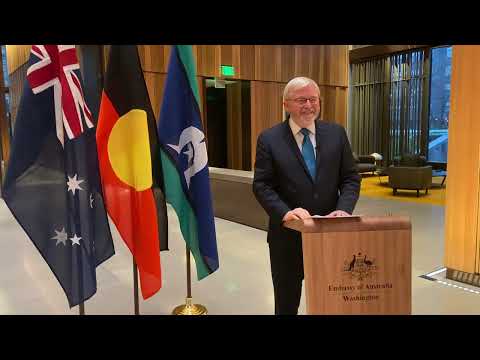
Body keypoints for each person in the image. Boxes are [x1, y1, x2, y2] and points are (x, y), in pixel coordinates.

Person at [252, 77, 361, 315]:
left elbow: (350, 178)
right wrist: (285, 213)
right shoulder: (269, 139)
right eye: (302, 100)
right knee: (287, 303)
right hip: (287, 239)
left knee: (331, 300)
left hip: (330, 236)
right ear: (286, 104)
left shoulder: (336, 134)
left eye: (314, 99)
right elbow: (262, 185)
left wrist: (344, 210)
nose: (309, 105)